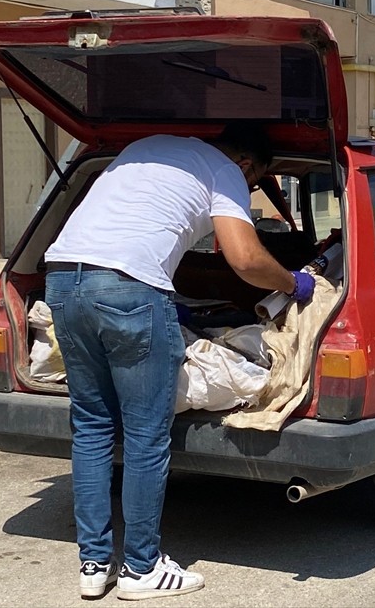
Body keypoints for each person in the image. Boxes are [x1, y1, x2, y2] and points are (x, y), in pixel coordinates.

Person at [43, 124, 315, 601]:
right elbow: (245, 258)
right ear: (248, 166)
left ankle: (93, 564)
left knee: (91, 427)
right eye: (254, 185)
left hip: (64, 280)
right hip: (130, 288)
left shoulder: (145, 147)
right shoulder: (227, 170)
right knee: (147, 433)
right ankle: (142, 569)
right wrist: (294, 284)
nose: (247, 190)